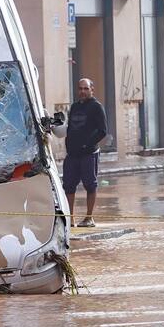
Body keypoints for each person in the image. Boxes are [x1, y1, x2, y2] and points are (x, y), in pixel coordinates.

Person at [62, 78, 107, 228]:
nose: (82, 91)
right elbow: (69, 128)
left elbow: (103, 131)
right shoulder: (74, 107)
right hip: (72, 154)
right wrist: (68, 144)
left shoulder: (96, 107)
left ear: (91, 90)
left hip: (89, 153)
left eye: (85, 89)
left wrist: (88, 143)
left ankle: (89, 218)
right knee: (68, 185)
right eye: (80, 88)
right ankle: (71, 218)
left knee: (90, 184)